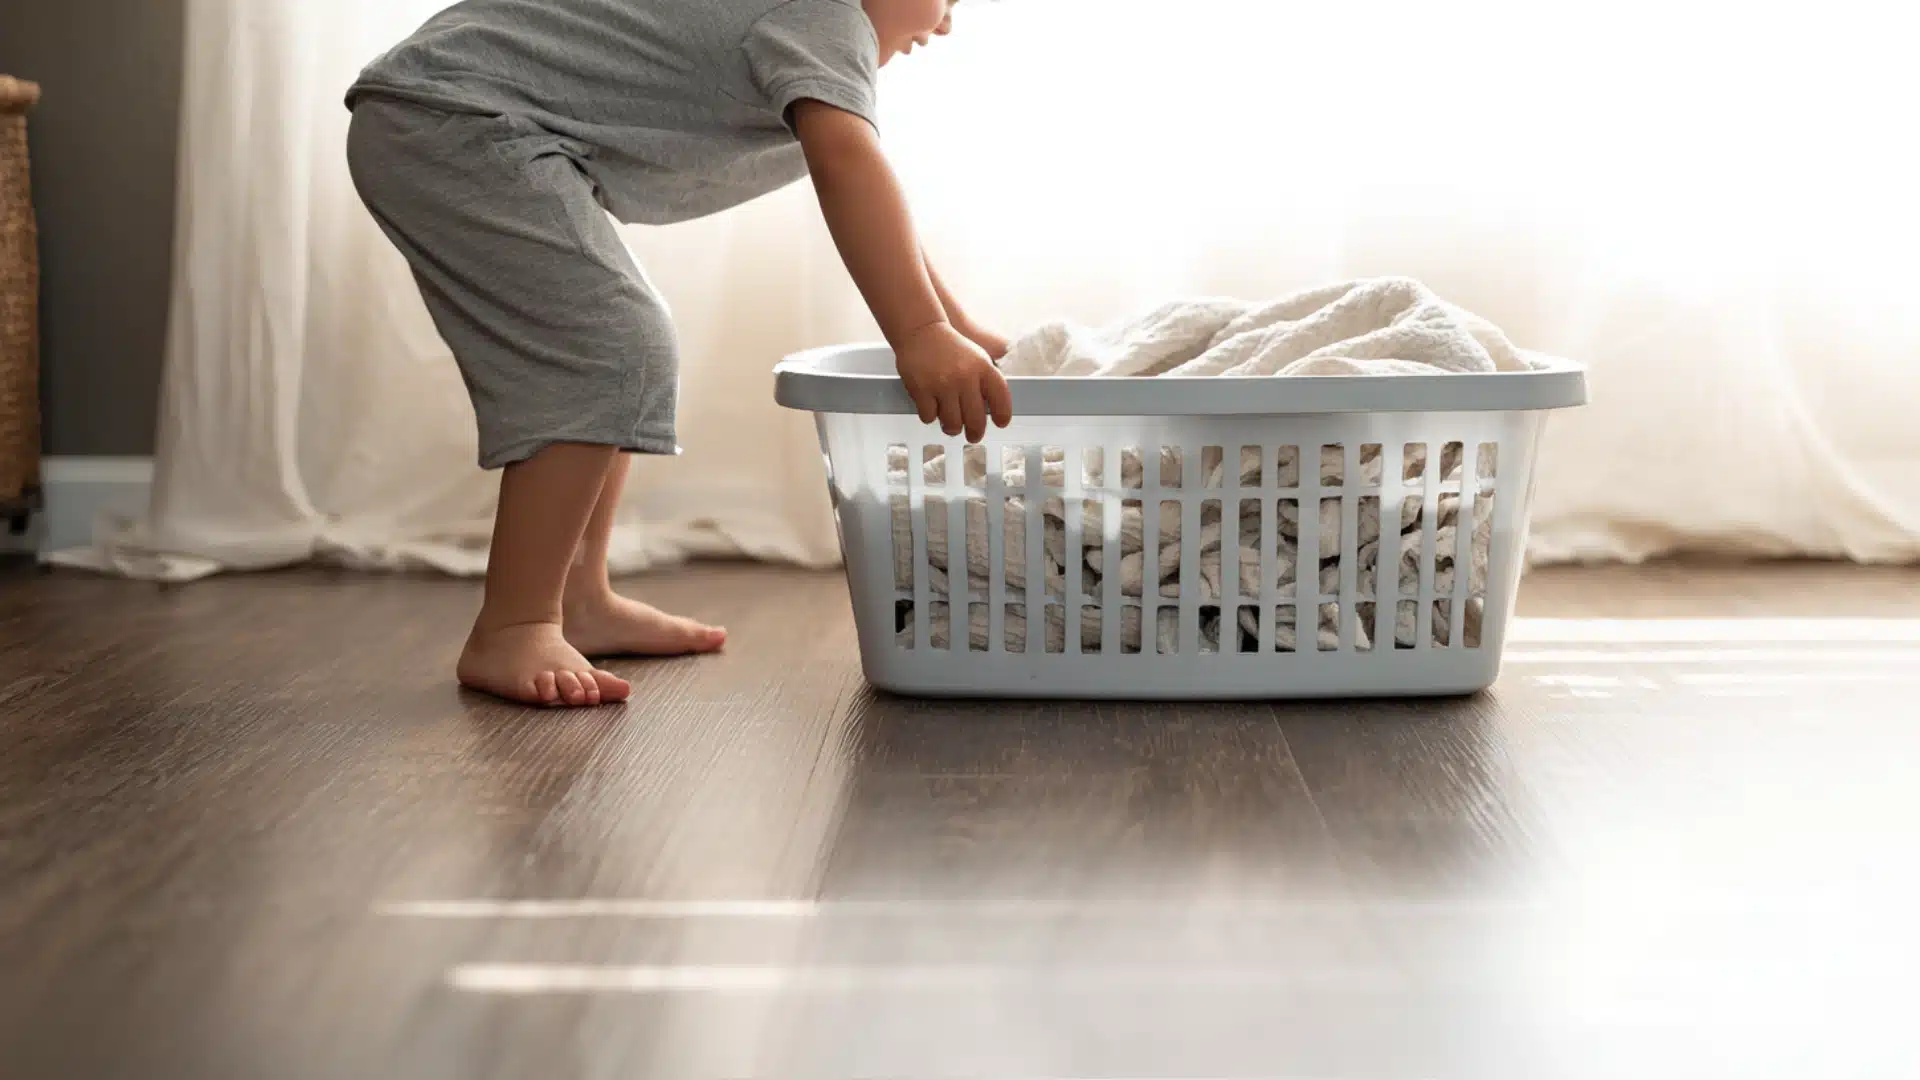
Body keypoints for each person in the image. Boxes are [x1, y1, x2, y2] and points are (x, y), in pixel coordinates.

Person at [345, 0, 1013, 707]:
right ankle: (514, 622)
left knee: (617, 344)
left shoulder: (811, 27)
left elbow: (868, 186)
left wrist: (950, 324)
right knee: (614, 343)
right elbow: (848, 166)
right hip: (451, 118)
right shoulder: (826, 14)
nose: (946, 23)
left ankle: (578, 596)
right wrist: (918, 334)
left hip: (451, 111)